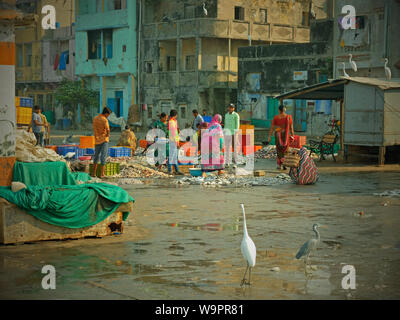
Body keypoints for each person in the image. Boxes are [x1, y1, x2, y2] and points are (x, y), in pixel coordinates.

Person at [268, 105, 294, 170]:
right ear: (285, 110)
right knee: (285, 150)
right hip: (286, 135)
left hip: (278, 135)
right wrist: (293, 136)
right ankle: (284, 164)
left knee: (279, 149)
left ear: (279, 110)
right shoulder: (289, 117)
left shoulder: (276, 117)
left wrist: (269, 136)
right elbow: (291, 128)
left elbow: (272, 127)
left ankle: (279, 165)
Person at [92, 107, 111, 178]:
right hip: (104, 140)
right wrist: (107, 135)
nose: (108, 116)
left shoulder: (95, 118)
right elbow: (108, 129)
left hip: (97, 140)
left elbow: (94, 128)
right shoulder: (104, 120)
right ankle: (102, 174)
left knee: (96, 156)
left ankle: (93, 173)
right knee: (103, 156)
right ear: (106, 113)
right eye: (108, 115)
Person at [168, 109, 183, 175]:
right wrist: (176, 142)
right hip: (173, 141)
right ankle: (170, 170)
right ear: (175, 115)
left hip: (174, 140)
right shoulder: (171, 122)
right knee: (172, 156)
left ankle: (177, 170)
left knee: (174, 156)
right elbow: (173, 133)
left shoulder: (173, 121)